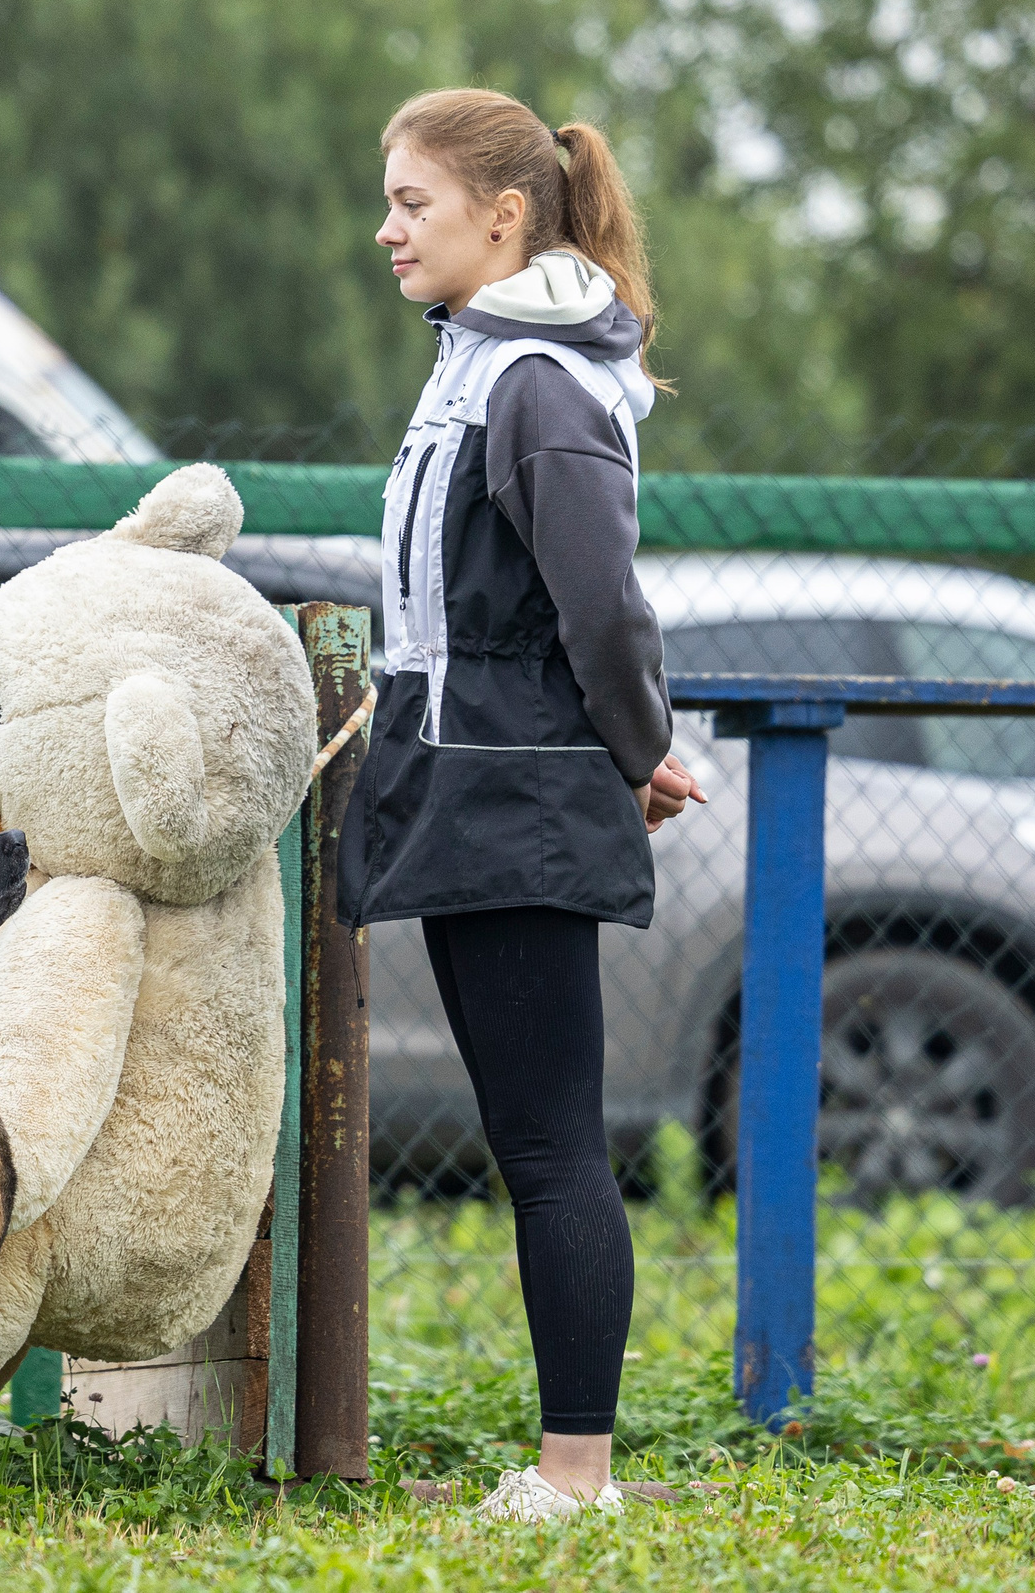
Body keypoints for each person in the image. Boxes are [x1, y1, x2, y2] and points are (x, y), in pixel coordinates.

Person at [337, 87, 707, 1522]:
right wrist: (632, 749)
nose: (387, 230)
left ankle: (575, 1475)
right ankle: (569, 1465)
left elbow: (604, 610)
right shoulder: (483, 362)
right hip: (484, 783)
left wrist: (633, 746)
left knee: (553, 1148)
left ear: (503, 217)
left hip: (516, 802)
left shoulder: (537, 381)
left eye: (410, 203)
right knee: (533, 1142)